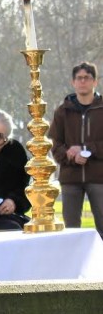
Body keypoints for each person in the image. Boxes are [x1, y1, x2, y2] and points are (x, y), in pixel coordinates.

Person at [49, 62, 103, 237]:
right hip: (70, 178)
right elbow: (54, 144)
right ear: (73, 82)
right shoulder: (62, 111)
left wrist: (87, 150)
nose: (82, 81)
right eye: (79, 78)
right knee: (71, 230)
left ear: (95, 82)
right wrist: (70, 155)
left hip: (99, 177)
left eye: (87, 78)